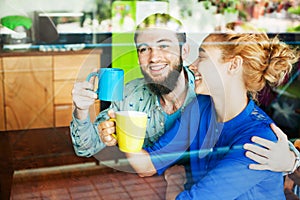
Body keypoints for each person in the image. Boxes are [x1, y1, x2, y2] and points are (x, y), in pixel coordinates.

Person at [70, 12, 298, 174]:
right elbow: (85, 148)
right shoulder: (129, 95)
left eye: (164, 45)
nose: (153, 57)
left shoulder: (208, 90)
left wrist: (291, 159)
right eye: (143, 49)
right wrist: (82, 111)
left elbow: (252, 125)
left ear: (184, 50)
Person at [124, 31, 300, 199]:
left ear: (233, 65)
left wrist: (175, 182)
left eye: (202, 57)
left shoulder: (258, 142)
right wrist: (120, 128)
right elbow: (148, 164)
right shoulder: (200, 108)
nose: (192, 66)